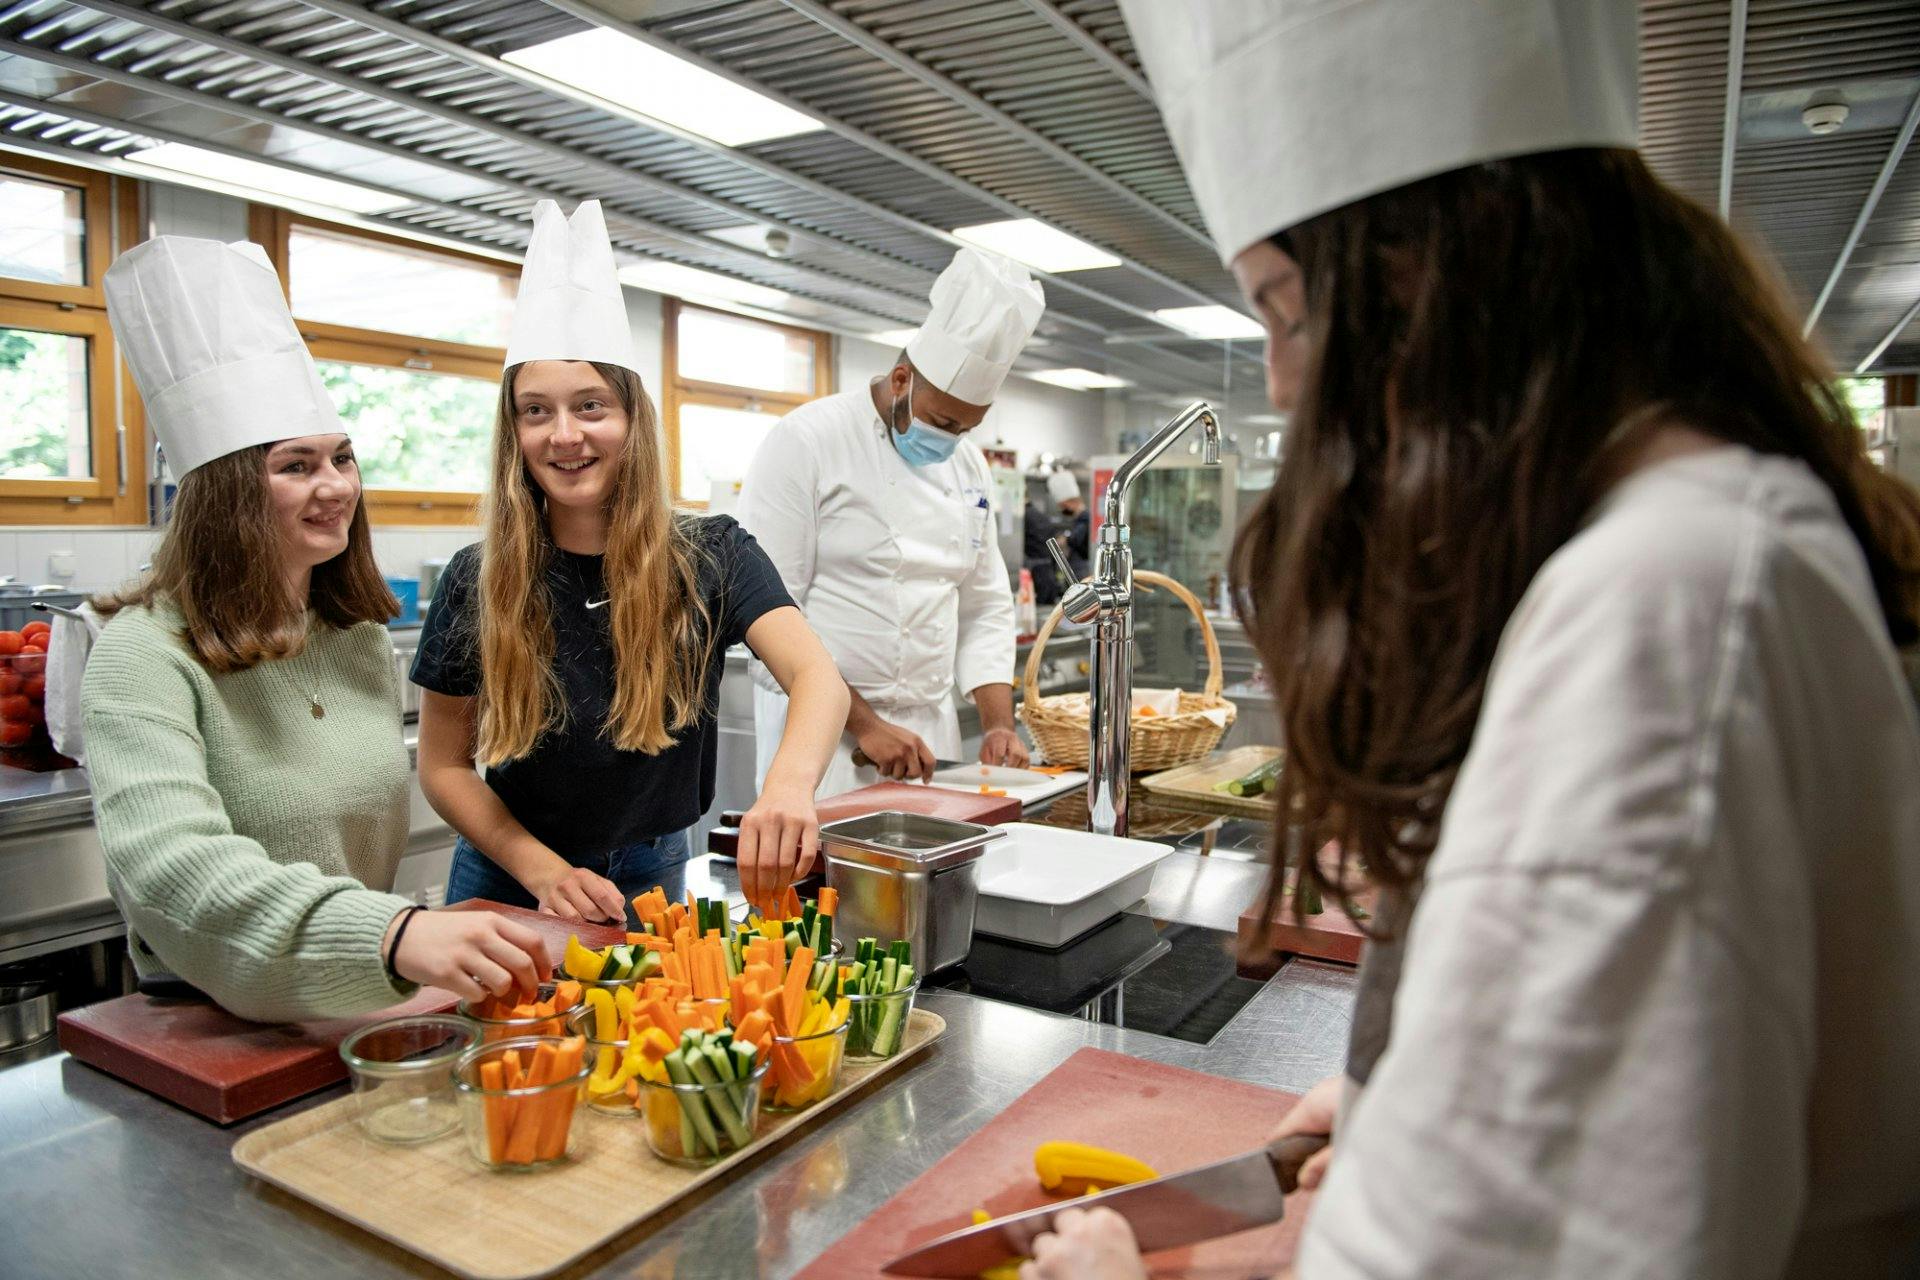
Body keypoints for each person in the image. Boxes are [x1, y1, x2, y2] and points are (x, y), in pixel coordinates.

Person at [1026, 1, 1920, 1277]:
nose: (1281, 380)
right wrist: (1412, 1120)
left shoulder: (1655, 606)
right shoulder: (1708, 537)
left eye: (1283, 310)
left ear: (1426, 280)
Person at [83, 237, 549, 1022]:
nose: (335, 487)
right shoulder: (144, 657)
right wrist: (392, 934)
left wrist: (393, 940)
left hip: (354, 988)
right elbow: (172, 870)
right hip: (210, 1014)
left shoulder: (353, 639)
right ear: (227, 493)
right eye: (296, 466)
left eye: (341, 459)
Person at [413, 201, 846, 921]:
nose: (564, 435)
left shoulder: (712, 555)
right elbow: (442, 765)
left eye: (590, 406)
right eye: (536, 410)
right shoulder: (477, 577)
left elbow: (817, 677)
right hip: (507, 870)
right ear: (513, 430)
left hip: (652, 868)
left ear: (632, 419)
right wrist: (544, 872)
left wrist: (788, 787)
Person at [740, 248, 1043, 793]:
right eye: (943, 421)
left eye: (965, 430)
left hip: (931, 733)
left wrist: (998, 722)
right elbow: (766, 616)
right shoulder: (807, 441)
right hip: (822, 737)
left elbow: (983, 602)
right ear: (901, 379)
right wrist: (867, 727)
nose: (950, 440)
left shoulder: (968, 465)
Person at [1023, 470, 1089, 607]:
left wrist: (1065, 539)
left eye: (1062, 506)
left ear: (1070, 502)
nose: (1061, 509)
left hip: (1082, 571)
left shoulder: (1085, 518)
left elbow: (1075, 539)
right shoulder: (1078, 520)